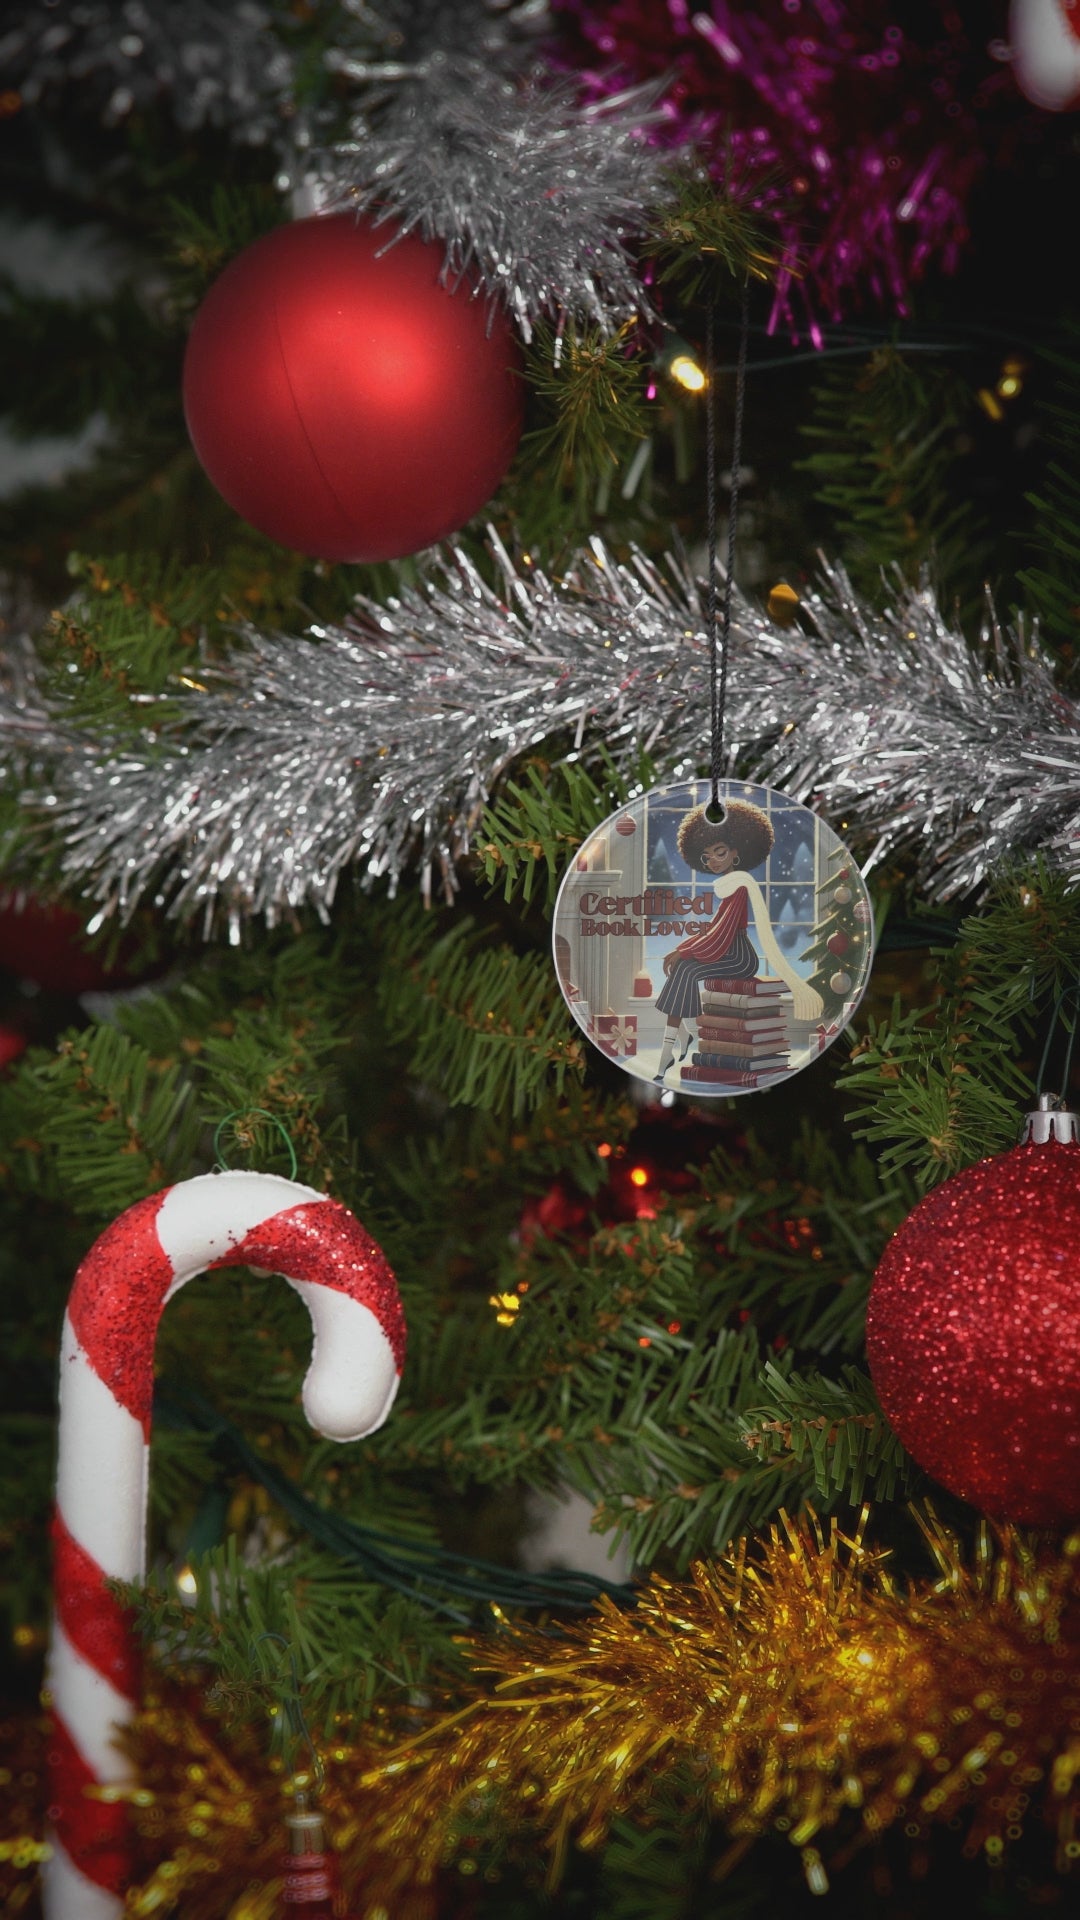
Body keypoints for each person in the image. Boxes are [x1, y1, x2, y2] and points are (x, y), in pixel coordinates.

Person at [653, 800, 823, 1082]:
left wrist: (684, 953)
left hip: (738, 957)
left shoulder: (739, 885)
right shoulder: (730, 885)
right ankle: (680, 1037)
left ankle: (668, 1051)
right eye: (707, 856)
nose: (714, 860)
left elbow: (722, 934)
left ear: (735, 852)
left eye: (720, 852)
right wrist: (682, 949)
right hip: (726, 951)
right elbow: (713, 928)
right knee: (683, 969)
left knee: (685, 969)